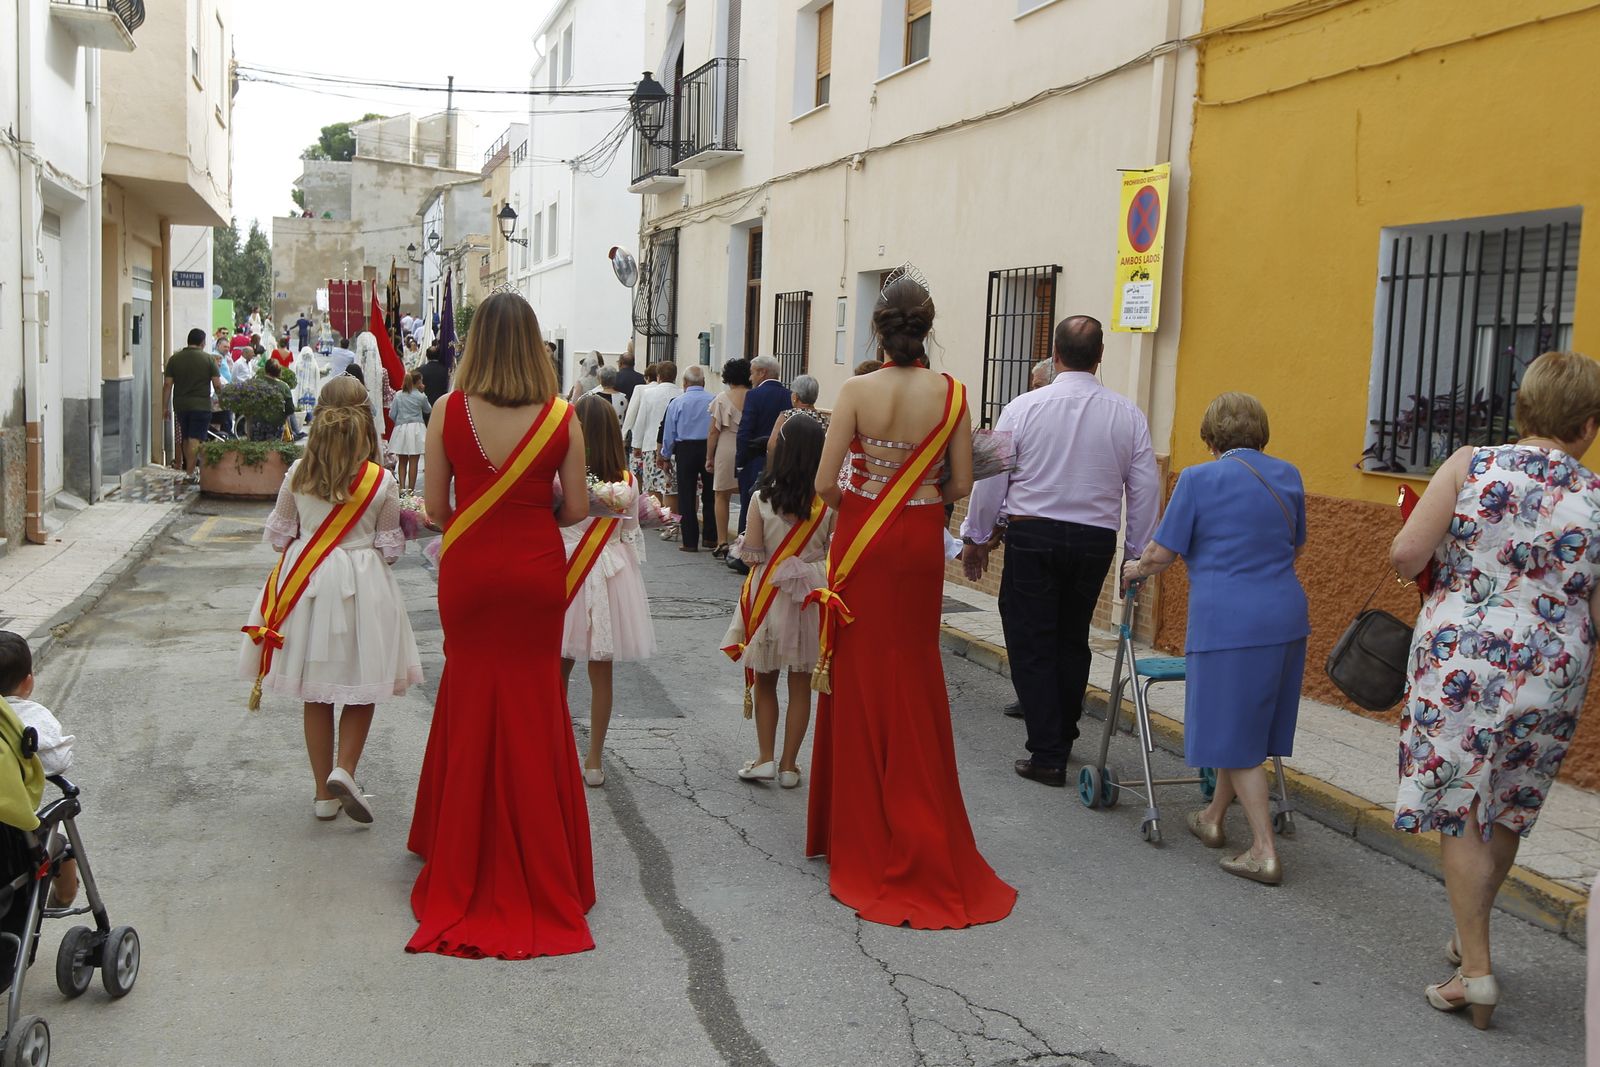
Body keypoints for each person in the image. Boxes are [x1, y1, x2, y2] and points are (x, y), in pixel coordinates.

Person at [1388, 350, 1600, 1029]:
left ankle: (1475, 973)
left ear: (1524, 407)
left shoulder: (1470, 464)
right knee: (1509, 805)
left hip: (1463, 661)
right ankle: (1467, 935)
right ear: (1587, 426)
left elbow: (1406, 555)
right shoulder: (1597, 498)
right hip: (1554, 672)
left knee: (1460, 802)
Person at [806, 272, 1016, 929]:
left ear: (877, 328)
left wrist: (867, 495)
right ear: (927, 328)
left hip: (863, 538)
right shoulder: (952, 393)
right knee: (914, 670)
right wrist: (917, 495)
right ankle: (920, 818)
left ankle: (859, 826)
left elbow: (825, 482)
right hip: (921, 539)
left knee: (859, 670)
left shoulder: (855, 390)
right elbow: (960, 482)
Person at [407, 291, 596, 960]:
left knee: (469, 693)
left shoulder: (446, 411)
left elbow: (435, 509)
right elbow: (577, 508)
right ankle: (545, 856)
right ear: (534, 345)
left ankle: (461, 845)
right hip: (535, 570)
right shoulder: (563, 416)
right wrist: (533, 507)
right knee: (535, 699)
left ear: (476, 345)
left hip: (470, 568)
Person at [960, 316, 1160, 786]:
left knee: (1031, 638)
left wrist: (977, 536)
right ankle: (1062, 732)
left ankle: (1048, 751)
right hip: (1094, 540)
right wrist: (1136, 555)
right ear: (1100, 356)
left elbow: (991, 479)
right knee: (1072, 636)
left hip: (1034, 536)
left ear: (1054, 355)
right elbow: (1145, 488)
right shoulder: (1128, 415)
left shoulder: (1022, 407)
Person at [1121, 393, 1309, 886]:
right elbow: (1297, 546)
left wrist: (1135, 568)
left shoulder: (1198, 479)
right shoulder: (1288, 475)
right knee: (1242, 728)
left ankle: (1263, 850)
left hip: (1229, 622)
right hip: (1286, 618)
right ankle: (1212, 817)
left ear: (1210, 436)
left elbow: (1161, 554)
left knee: (1236, 736)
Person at [238, 376, 422, 823]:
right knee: (363, 683)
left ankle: (323, 794)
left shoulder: (298, 473)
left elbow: (279, 537)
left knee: (315, 692)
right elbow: (389, 549)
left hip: (309, 587)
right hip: (364, 586)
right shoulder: (382, 480)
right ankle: (346, 769)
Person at [722, 415, 833, 787]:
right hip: (810, 595)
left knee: (766, 680)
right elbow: (834, 549)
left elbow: (751, 554)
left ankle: (765, 758)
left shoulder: (761, 498)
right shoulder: (828, 502)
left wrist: (750, 545)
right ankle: (789, 766)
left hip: (769, 593)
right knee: (801, 684)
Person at [561, 395, 658, 787]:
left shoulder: (561, 476)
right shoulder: (628, 481)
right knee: (602, 673)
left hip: (566, 569)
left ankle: (555, 752)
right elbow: (630, 533)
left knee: (557, 668)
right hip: (611, 574)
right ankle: (594, 761)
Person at [0, 631, 79, 906]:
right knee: (61, 847)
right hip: (10, 846)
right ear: (28, 682)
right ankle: (63, 898)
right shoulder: (30, 718)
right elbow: (58, 762)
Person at [661, 366, 716, 553]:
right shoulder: (714, 400)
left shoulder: (677, 402)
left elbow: (669, 432)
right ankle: (710, 537)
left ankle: (690, 541)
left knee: (686, 495)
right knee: (710, 493)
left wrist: (666, 455)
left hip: (685, 449)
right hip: (709, 447)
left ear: (684, 383)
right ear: (703, 382)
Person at [735, 356, 792, 537]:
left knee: (750, 506)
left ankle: (746, 545)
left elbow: (745, 430)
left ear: (762, 372)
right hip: (783, 461)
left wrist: (740, 461)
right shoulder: (790, 395)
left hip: (755, 460)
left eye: (752, 373)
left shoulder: (754, 395)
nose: (750, 378)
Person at [620, 360, 681, 523]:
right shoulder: (681, 393)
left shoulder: (649, 394)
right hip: (675, 447)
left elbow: (641, 420)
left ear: (658, 376)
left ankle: (659, 518)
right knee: (671, 486)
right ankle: (672, 518)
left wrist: (636, 445)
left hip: (651, 444)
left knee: (653, 485)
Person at [163, 328, 225, 480]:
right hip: (201, 405)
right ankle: (190, 473)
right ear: (203, 342)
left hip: (181, 405)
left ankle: (189, 470)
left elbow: (167, 384)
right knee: (194, 438)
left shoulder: (174, 359)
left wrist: (164, 406)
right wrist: (223, 400)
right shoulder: (208, 359)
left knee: (186, 437)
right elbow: (217, 385)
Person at [707, 358, 751, 558]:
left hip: (726, 446)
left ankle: (722, 540)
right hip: (748, 447)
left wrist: (709, 456)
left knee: (721, 495)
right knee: (748, 495)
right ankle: (746, 538)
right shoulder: (754, 396)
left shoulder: (722, 398)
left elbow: (713, 432)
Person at [389, 370, 432, 494]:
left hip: (402, 428)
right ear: (418, 382)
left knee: (402, 461)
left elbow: (392, 414)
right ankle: (411, 491)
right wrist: (423, 393)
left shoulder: (399, 395)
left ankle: (402, 488)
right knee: (414, 461)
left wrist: (400, 420)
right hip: (417, 429)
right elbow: (428, 410)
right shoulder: (420, 396)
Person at [767, 374, 827, 453]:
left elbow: (772, 445)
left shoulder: (786, 416)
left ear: (795, 397)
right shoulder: (823, 419)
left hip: (789, 460)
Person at [420, 344, 449, 414]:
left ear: (427, 356)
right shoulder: (445, 370)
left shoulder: (420, 370)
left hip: (425, 405)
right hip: (441, 404)